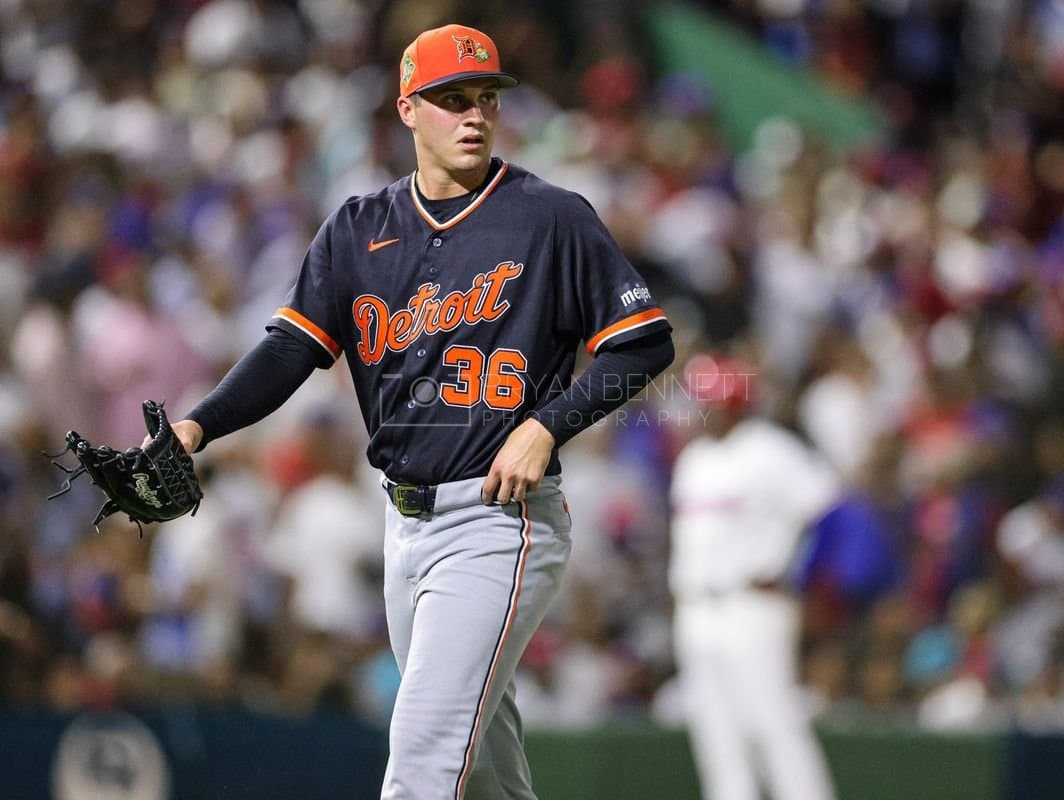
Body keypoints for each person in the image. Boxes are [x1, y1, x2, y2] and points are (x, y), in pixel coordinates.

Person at [154, 23, 673, 800]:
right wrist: (198, 426)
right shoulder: (358, 228)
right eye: (452, 99)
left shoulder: (551, 217)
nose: (474, 116)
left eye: (487, 98)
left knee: (423, 758)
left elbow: (644, 345)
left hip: (500, 521)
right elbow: (291, 349)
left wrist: (546, 424)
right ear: (408, 109)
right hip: (404, 526)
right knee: (489, 774)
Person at [670, 352, 838, 800]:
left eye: (708, 400)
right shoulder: (694, 457)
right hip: (696, 608)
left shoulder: (770, 448)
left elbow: (832, 516)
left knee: (773, 725)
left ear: (733, 402)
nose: (699, 410)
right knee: (715, 734)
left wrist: (796, 573)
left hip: (753, 604)